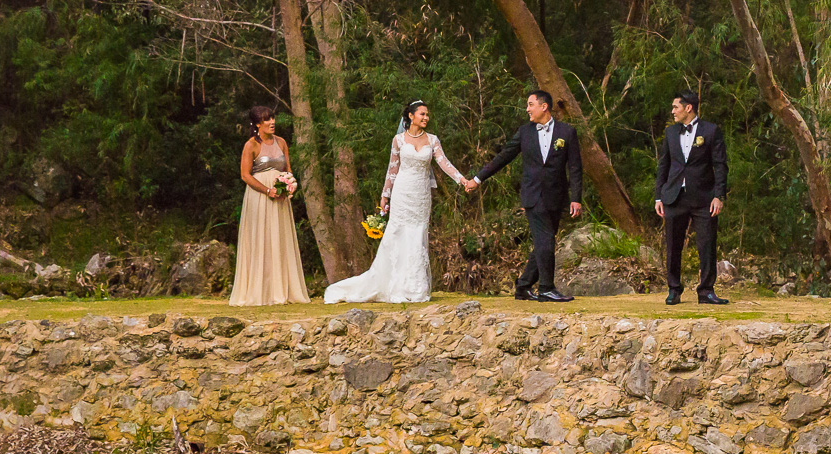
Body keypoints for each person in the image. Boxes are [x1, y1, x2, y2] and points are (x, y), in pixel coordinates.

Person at [325, 99, 469, 304]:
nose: (426, 118)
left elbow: (444, 163)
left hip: (421, 195)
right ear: (411, 116)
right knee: (398, 234)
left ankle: (416, 286)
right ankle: (395, 284)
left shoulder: (433, 140)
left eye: (427, 114)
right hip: (402, 192)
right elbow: (392, 169)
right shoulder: (399, 140)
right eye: (422, 114)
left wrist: (461, 179)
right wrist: (386, 195)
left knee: (418, 235)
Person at [467, 90, 582, 302]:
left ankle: (523, 286)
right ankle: (546, 288)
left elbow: (575, 167)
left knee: (543, 242)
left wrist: (576, 197)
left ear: (544, 106)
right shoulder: (524, 132)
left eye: (530, 104)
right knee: (545, 239)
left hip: (556, 197)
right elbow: (503, 157)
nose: (527, 109)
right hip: (533, 195)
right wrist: (477, 179)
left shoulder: (567, 132)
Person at [230, 105, 312, 306]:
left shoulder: (282, 142)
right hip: (260, 198)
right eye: (267, 120)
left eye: (273, 118)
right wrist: (267, 190)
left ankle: (282, 289)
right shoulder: (251, 145)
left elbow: (288, 168)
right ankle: (261, 290)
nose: (272, 122)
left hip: (281, 198)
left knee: (280, 239)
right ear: (257, 124)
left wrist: (290, 184)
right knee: (262, 239)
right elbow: (245, 175)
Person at [654, 90, 729, 305]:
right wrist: (658, 196)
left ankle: (706, 291)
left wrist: (719, 195)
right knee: (673, 245)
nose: (672, 111)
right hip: (674, 197)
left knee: (706, 245)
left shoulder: (711, 130)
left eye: (675, 107)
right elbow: (664, 165)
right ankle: (674, 289)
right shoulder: (670, 133)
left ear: (689, 108)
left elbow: (720, 165)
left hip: (703, 197)